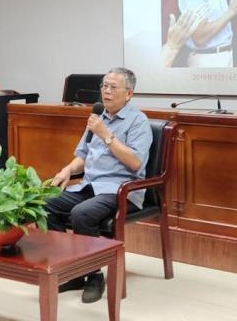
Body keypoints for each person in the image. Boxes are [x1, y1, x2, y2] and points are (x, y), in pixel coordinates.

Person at [46, 68, 152, 304]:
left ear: (129, 93)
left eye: (113, 87)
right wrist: (68, 170)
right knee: (46, 204)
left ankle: (93, 275)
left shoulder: (138, 122)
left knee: (82, 214)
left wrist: (106, 135)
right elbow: (82, 155)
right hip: (90, 185)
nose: (106, 91)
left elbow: (135, 163)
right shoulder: (98, 118)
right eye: (104, 86)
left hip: (120, 189)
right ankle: (72, 270)